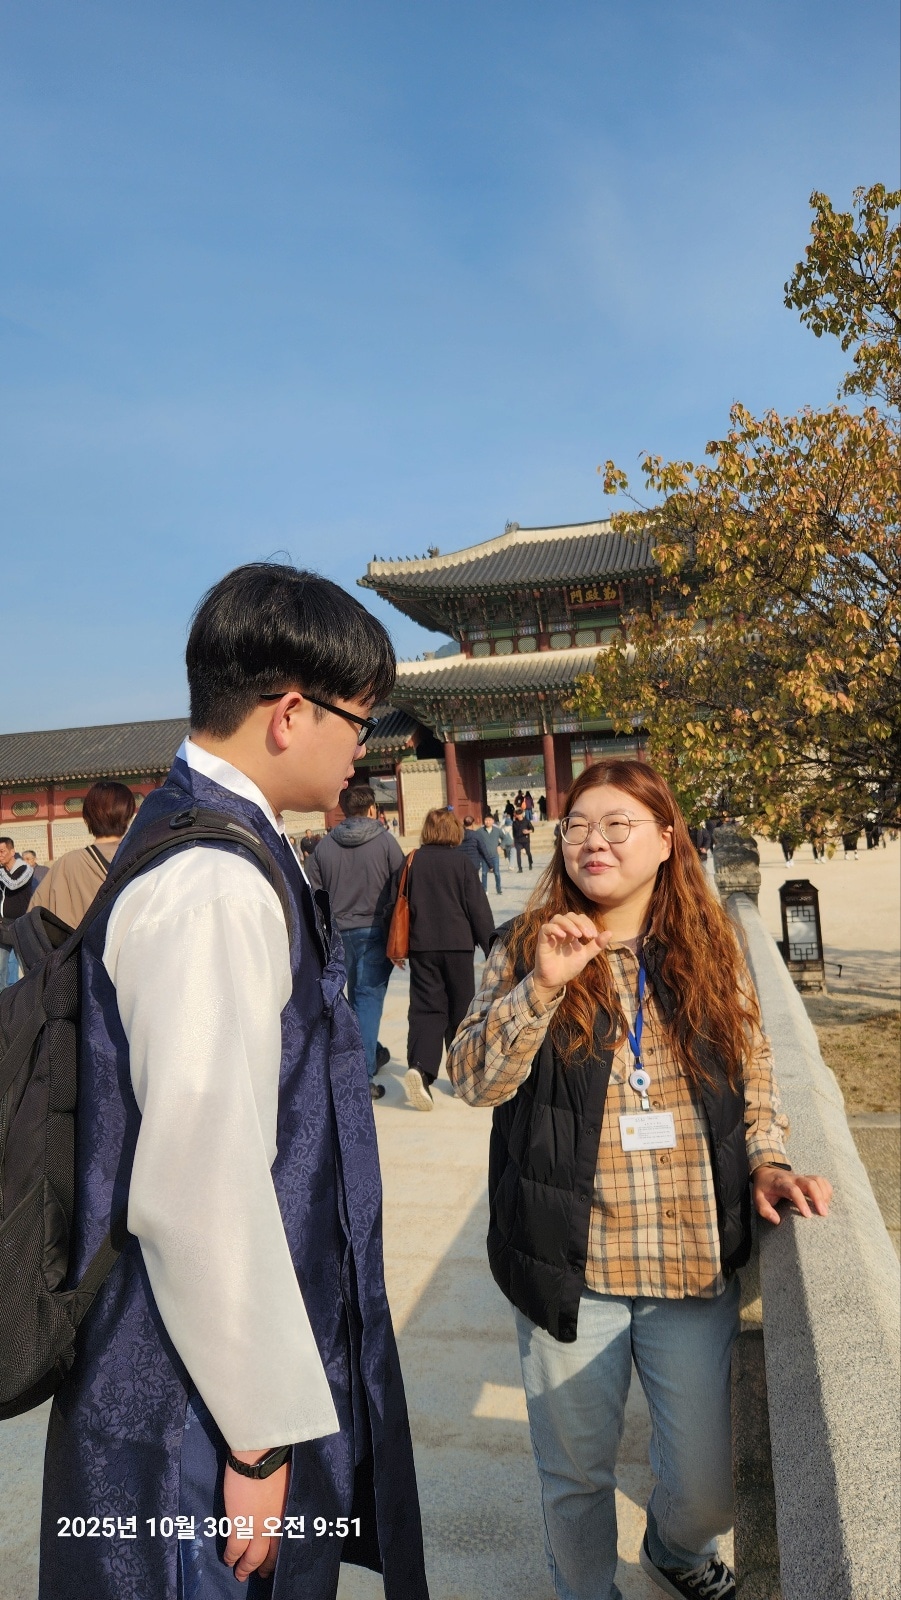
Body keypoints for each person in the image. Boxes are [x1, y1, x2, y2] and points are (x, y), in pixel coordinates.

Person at [39, 563, 428, 1600]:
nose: (366, 745)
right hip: (183, 1404)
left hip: (190, 1371)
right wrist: (256, 1443)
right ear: (292, 713)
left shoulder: (205, 841)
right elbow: (199, 1180)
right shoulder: (210, 881)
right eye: (360, 719)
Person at [447, 757, 831, 1600]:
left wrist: (766, 1158)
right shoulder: (525, 942)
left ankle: (674, 1549)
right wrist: (543, 985)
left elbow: (755, 1068)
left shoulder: (707, 948)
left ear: (665, 840)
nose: (593, 840)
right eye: (577, 825)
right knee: (575, 1481)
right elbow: (472, 1080)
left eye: (617, 824)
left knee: (707, 1488)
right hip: (570, 1271)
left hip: (688, 1263)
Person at [305, 782, 405, 1100]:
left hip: (337, 933)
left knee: (350, 1002)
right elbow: (401, 888)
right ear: (372, 809)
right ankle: (362, 1076)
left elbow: (312, 893)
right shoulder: (387, 843)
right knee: (369, 1000)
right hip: (376, 930)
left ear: (342, 810)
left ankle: (371, 1051)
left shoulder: (322, 848)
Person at [402, 807, 494, 1112]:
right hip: (457, 946)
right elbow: (477, 907)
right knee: (461, 1011)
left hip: (422, 946)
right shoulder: (462, 863)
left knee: (427, 1009)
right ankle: (461, 1077)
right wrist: (491, 944)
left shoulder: (412, 861)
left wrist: (394, 949)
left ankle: (421, 1068)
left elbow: (395, 903)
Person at [31, 782, 137, 926]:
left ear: (87, 818)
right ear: (129, 815)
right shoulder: (144, 857)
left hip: (82, 947)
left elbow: (34, 922)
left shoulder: (67, 864)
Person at [0, 837, 33, 988]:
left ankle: (32, 995)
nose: (0, 855)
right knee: (1, 967)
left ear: (12, 851)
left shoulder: (25, 868)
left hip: (21, 923)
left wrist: (1, 871)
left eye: (2, 851)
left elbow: (13, 884)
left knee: (26, 964)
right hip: (3, 924)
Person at [477, 813, 503, 896]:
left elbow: (505, 838)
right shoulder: (480, 831)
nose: (487, 822)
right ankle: (484, 889)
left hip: (495, 855)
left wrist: (501, 846)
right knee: (484, 873)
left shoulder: (497, 830)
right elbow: (475, 840)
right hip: (484, 856)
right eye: (486, 820)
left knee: (497, 873)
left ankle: (498, 889)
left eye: (489, 820)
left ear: (493, 821)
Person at [512, 807, 534, 872]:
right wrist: (514, 841)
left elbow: (532, 829)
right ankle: (520, 868)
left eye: (520, 814)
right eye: (517, 814)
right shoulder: (514, 823)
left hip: (525, 840)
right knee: (518, 853)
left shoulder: (527, 821)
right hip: (518, 841)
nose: (518, 816)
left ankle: (530, 863)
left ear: (522, 814)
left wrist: (528, 831)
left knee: (528, 852)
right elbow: (514, 833)